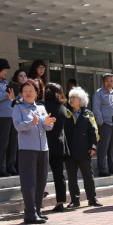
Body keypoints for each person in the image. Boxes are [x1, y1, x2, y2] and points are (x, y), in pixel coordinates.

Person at [13, 80, 54, 224]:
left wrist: (48, 124)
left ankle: (37, 210)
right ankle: (29, 213)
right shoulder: (18, 108)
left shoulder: (41, 107)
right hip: (27, 149)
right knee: (29, 182)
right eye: (25, 91)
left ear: (37, 93)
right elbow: (18, 126)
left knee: (41, 181)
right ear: (21, 93)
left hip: (43, 149)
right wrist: (32, 123)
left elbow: (46, 127)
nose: (28, 93)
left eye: (31, 90)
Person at [63, 87, 101, 208]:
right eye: (70, 97)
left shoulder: (88, 114)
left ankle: (92, 198)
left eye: (74, 97)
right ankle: (75, 200)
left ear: (81, 100)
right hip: (70, 150)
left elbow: (94, 131)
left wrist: (93, 146)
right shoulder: (66, 113)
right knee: (72, 176)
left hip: (84, 149)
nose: (71, 99)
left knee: (88, 175)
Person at [42, 83, 69, 212]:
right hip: (59, 144)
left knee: (41, 174)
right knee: (59, 175)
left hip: (44, 144)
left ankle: (37, 200)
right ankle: (60, 202)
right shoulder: (63, 108)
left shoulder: (42, 105)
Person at [92, 73, 113, 177]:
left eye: (111, 81)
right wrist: (101, 122)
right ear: (103, 82)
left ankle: (112, 168)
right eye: (107, 81)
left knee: (111, 149)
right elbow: (96, 108)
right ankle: (102, 169)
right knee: (103, 148)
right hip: (105, 125)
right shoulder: (99, 93)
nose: (109, 83)